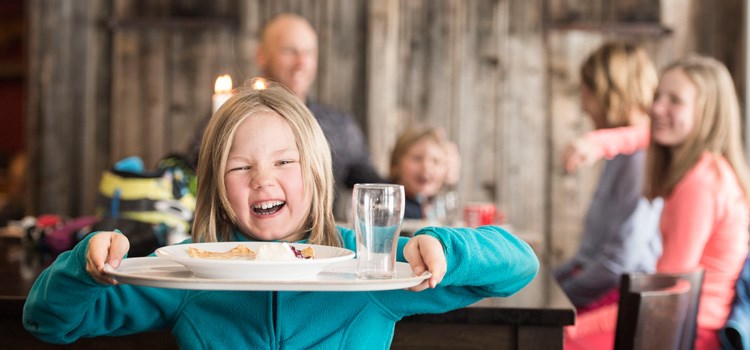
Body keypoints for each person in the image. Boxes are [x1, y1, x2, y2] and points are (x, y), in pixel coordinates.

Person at [23, 81, 539, 349]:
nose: (262, 180)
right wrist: (83, 266)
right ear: (216, 190)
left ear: (314, 173)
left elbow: (519, 266)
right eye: (239, 166)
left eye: (284, 162)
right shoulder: (184, 275)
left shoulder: (371, 266)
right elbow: (47, 322)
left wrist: (446, 247)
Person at [565, 55, 750, 350]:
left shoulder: (701, 184)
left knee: (557, 338)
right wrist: (598, 143)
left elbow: (667, 294)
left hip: (690, 331)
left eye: (674, 100)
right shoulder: (712, 169)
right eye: (657, 96)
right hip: (683, 320)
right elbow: (643, 134)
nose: (656, 108)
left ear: (708, 113)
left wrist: (574, 332)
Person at [189, 13, 383, 219]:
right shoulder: (228, 119)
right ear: (262, 56)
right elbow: (192, 176)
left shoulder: (339, 125)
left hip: (321, 244)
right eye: (290, 51)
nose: (301, 62)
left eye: (309, 52)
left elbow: (371, 185)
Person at [553, 42, 663, 313]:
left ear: (609, 94)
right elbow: (588, 256)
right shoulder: (622, 155)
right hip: (600, 287)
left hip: (621, 302)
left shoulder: (639, 159)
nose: (582, 105)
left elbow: (619, 264)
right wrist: (547, 282)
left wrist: (556, 300)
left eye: (586, 93)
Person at [388, 125, 453, 221]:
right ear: (396, 164)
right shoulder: (390, 205)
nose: (426, 168)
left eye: (436, 161)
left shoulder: (441, 205)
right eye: (417, 158)